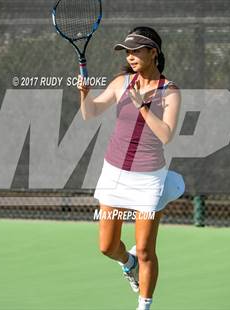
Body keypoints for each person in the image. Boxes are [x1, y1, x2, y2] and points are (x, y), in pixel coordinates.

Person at [77, 26, 185, 310]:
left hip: (148, 178)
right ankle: (129, 262)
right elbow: (90, 114)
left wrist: (142, 106)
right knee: (107, 246)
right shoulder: (121, 82)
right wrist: (84, 95)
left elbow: (166, 135)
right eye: (128, 51)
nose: (131, 56)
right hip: (114, 174)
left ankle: (144, 306)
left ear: (154, 53)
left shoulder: (169, 91)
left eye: (137, 50)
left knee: (147, 249)